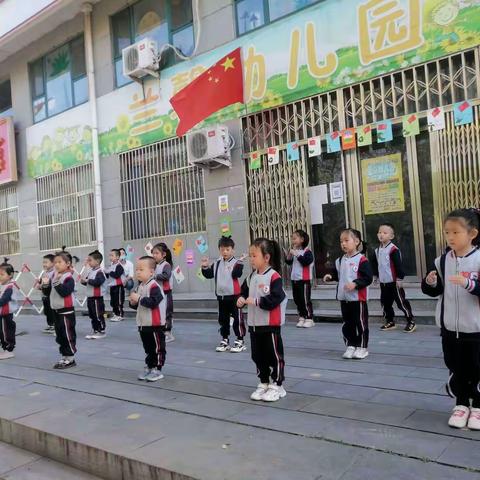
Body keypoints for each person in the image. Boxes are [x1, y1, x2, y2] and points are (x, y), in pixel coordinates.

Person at [422, 208, 480, 430]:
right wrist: (430, 282)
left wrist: (469, 284)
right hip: (450, 328)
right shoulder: (441, 260)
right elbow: (433, 290)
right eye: (447, 232)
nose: (450, 237)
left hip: (475, 329)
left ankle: (478, 406)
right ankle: (461, 403)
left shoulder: (478, 258)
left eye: (456, 232)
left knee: (477, 368)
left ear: (472, 233)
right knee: (456, 367)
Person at [237, 238, 287, 402]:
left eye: (254, 256)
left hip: (270, 325)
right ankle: (263, 382)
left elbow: (275, 299)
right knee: (258, 356)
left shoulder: (274, 277)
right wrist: (240, 299)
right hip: (254, 325)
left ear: (266, 257)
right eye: (250, 256)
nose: (251, 259)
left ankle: (277, 385)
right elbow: (243, 292)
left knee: (274, 355)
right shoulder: (251, 276)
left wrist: (257, 301)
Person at [324, 229, 373, 360]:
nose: (343, 244)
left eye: (347, 240)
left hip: (358, 299)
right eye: (341, 241)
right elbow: (337, 274)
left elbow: (368, 278)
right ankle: (351, 345)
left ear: (356, 242)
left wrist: (356, 283)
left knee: (360, 323)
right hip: (344, 298)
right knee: (347, 323)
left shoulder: (362, 260)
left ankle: (362, 347)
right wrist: (330, 276)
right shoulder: (339, 260)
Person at [201, 236, 246, 352]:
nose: (225, 252)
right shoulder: (217, 263)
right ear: (219, 250)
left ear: (233, 250)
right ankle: (225, 340)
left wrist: (240, 262)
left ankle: (240, 340)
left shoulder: (237, 262)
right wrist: (205, 266)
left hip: (235, 296)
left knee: (237, 319)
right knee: (223, 319)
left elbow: (237, 274)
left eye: (227, 249)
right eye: (222, 249)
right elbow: (209, 275)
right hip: (221, 297)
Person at [371, 223, 415, 332]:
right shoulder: (377, 251)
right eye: (380, 232)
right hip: (384, 282)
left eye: (385, 233)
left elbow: (398, 265)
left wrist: (400, 278)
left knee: (401, 302)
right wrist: (375, 276)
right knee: (385, 303)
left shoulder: (393, 250)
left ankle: (411, 321)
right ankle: (390, 321)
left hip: (394, 282)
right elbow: (375, 264)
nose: (381, 234)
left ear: (391, 236)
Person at [129, 256, 166, 382]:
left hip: (154, 324)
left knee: (157, 348)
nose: (138, 272)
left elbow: (153, 302)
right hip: (143, 324)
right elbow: (139, 305)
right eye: (136, 269)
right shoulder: (140, 286)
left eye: (141, 269)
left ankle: (157, 369)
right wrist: (133, 302)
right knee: (148, 348)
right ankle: (150, 366)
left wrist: (138, 299)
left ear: (151, 272)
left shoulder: (154, 286)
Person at [50, 247, 77, 369]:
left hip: (66, 311)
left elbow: (64, 292)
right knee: (60, 335)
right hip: (57, 310)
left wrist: (55, 282)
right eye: (55, 262)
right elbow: (49, 292)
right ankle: (64, 356)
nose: (56, 264)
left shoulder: (68, 277)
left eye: (59, 262)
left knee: (67, 334)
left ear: (68, 264)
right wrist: (45, 285)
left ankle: (70, 357)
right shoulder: (55, 276)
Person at [284, 229, 315, 328]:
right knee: (297, 300)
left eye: (295, 238)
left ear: (302, 239)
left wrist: (296, 254)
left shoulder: (307, 252)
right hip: (295, 279)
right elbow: (288, 262)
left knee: (305, 300)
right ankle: (302, 316)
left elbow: (305, 262)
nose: (293, 241)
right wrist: (289, 254)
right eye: (292, 239)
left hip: (304, 280)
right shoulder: (294, 251)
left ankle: (309, 318)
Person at [80, 250, 107, 339]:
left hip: (97, 298)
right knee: (92, 315)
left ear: (97, 261)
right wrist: (84, 281)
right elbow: (88, 282)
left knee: (98, 314)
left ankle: (101, 331)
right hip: (90, 297)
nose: (88, 262)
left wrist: (88, 280)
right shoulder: (91, 271)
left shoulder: (100, 272)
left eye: (90, 260)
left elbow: (98, 282)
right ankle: (95, 330)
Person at [152, 243, 175, 343]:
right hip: (159, 293)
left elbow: (166, 276)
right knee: (160, 313)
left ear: (164, 254)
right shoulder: (156, 265)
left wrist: (155, 276)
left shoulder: (166, 265)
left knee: (167, 313)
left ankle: (168, 333)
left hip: (166, 293)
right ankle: (161, 331)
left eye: (157, 253)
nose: (154, 255)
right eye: (153, 253)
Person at [0, 258, 18, 359]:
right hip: (1, 313)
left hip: (6, 314)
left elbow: (4, 300)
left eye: (2, 274)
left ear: (10, 275)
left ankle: (8, 349)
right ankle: (4, 347)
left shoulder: (9, 287)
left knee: (7, 331)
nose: (0, 276)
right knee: (1, 331)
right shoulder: (2, 285)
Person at [35, 253, 56, 334]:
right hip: (45, 296)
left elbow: (49, 285)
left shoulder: (54, 273)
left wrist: (42, 286)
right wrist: (39, 283)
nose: (44, 264)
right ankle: (50, 325)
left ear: (53, 263)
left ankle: (54, 325)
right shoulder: (45, 273)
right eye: (43, 262)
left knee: (51, 311)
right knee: (47, 311)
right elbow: (43, 283)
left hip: (51, 296)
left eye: (46, 262)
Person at [106, 248, 125, 321]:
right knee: (113, 301)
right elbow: (109, 276)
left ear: (117, 257)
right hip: (112, 286)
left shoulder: (119, 266)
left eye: (112, 255)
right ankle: (115, 314)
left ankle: (119, 315)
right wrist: (106, 272)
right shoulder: (111, 266)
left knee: (118, 301)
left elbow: (116, 275)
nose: (110, 257)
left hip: (118, 286)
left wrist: (109, 272)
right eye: (109, 255)